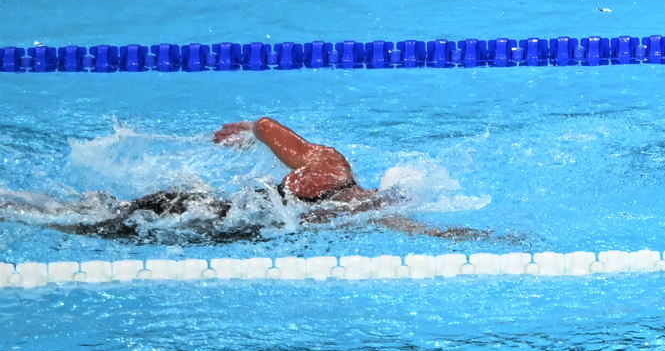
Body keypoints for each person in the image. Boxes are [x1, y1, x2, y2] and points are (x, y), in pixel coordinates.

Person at [5, 117, 494, 242]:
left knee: (93, 212)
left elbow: (266, 126)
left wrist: (244, 130)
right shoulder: (356, 203)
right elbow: (423, 230)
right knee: (83, 223)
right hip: (203, 222)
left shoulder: (334, 171)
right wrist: (474, 235)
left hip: (196, 207)